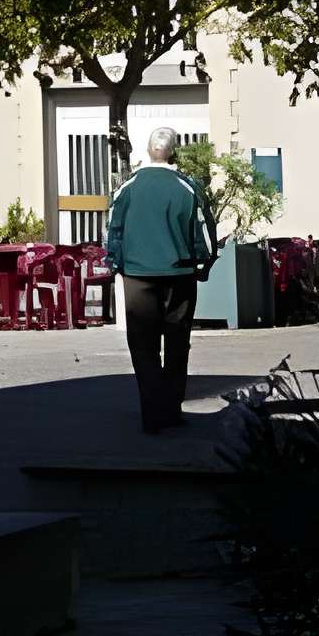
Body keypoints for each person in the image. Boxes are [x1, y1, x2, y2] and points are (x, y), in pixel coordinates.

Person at [103, 127, 217, 433]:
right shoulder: (188, 187)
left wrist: (115, 263)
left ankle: (152, 412)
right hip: (179, 274)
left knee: (143, 346)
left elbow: (113, 228)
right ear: (175, 152)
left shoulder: (128, 187)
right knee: (177, 343)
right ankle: (171, 407)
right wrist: (203, 263)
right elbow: (204, 231)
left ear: (147, 150)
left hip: (138, 275)